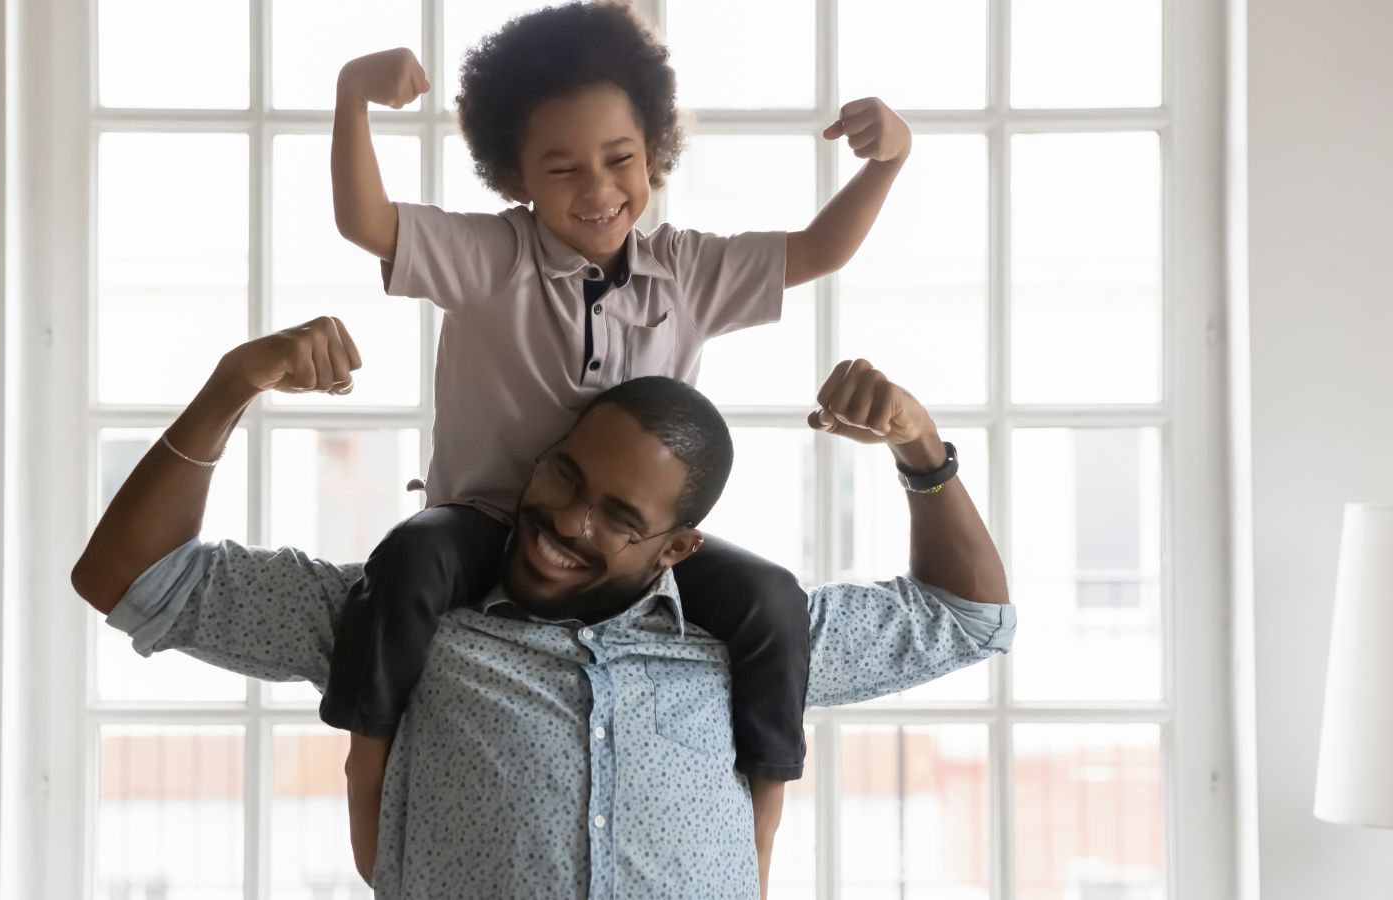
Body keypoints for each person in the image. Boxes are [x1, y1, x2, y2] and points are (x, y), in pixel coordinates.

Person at [70, 318, 1014, 900]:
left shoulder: (752, 639)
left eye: (617, 516)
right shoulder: (403, 611)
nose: (564, 519)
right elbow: (130, 575)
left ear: (675, 547)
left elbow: (969, 618)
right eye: (563, 475)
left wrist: (922, 449)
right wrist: (235, 384)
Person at [326, 0, 916, 847]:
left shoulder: (690, 269)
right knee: (411, 557)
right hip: (490, 525)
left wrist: (889, 162)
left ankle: (762, 828)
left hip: (636, 550)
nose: (599, 190)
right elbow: (366, 222)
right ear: (516, 174)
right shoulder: (489, 257)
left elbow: (818, 248)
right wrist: (352, 97)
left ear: (655, 152)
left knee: (773, 601)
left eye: (620, 159)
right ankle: (366, 768)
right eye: (562, 169)